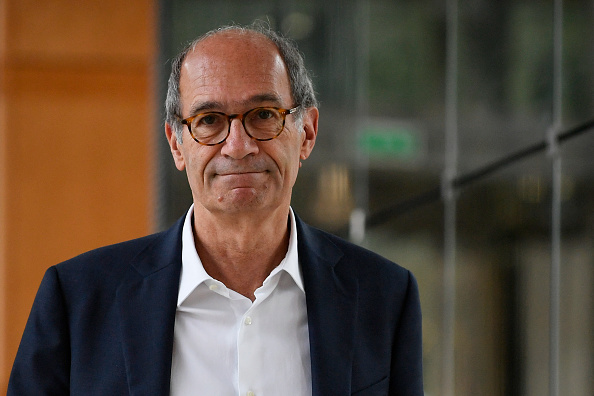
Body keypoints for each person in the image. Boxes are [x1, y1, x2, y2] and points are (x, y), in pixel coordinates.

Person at [8, 23, 423, 396]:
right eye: (209, 120)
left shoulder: (383, 297)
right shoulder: (77, 300)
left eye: (263, 115)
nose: (238, 146)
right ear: (176, 144)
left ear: (307, 133)